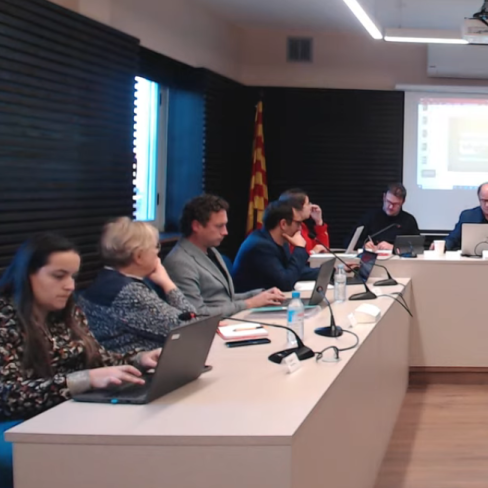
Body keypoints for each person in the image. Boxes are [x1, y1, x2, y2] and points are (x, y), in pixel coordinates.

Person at [0, 234, 161, 486]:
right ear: (27, 275)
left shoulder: (67, 312)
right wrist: (82, 380)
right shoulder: (5, 320)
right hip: (18, 425)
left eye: (72, 277)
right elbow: (7, 396)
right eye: (58, 276)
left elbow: (98, 360)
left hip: (67, 412)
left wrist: (139, 359)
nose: (70, 286)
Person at [77, 218, 198, 353]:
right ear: (139, 256)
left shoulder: (105, 279)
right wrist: (167, 283)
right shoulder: (130, 294)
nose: (158, 252)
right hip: (139, 363)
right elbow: (192, 326)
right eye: (155, 246)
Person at [164, 195, 284, 317]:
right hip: (215, 327)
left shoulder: (210, 250)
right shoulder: (179, 262)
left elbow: (224, 299)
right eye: (219, 226)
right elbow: (196, 314)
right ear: (196, 226)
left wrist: (260, 295)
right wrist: (250, 303)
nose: (225, 232)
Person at [232, 199, 320, 292]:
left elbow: (293, 271)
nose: (300, 228)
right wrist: (300, 248)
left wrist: (325, 273)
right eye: (298, 223)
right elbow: (286, 284)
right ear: (283, 224)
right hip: (252, 300)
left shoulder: (281, 242)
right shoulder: (260, 247)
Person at [352, 183, 420, 251]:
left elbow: (418, 247)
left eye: (395, 204)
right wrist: (364, 245)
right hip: (373, 256)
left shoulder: (409, 221)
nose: (390, 207)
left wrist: (394, 248)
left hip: (397, 257)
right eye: (388, 202)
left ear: (403, 202)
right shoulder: (370, 217)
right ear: (384, 197)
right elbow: (350, 242)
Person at [279, 188, 329, 254]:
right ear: (297, 208)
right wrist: (313, 252)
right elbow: (293, 257)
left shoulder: (302, 225)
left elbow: (323, 250)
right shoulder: (288, 228)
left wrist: (319, 222)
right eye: (308, 204)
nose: (311, 206)